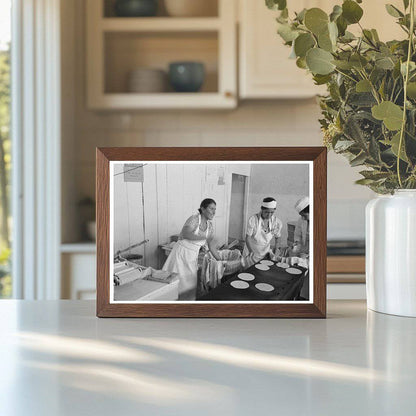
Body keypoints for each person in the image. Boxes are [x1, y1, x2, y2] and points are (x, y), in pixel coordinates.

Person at [163, 198, 220, 300]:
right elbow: (186, 233)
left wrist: (220, 260)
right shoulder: (194, 219)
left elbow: (211, 246)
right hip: (180, 254)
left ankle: (185, 307)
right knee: (174, 282)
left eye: (215, 209)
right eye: (211, 209)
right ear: (202, 209)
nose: (214, 212)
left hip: (191, 257)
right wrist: (204, 238)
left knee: (189, 284)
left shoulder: (210, 227)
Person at [242, 197, 283, 268]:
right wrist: (251, 251)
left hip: (265, 252)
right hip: (251, 251)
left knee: (261, 271)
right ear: (262, 209)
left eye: (272, 212)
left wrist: (276, 250)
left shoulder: (276, 222)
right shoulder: (253, 220)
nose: (269, 215)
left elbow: (278, 238)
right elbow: (247, 238)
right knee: (248, 271)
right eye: (266, 212)